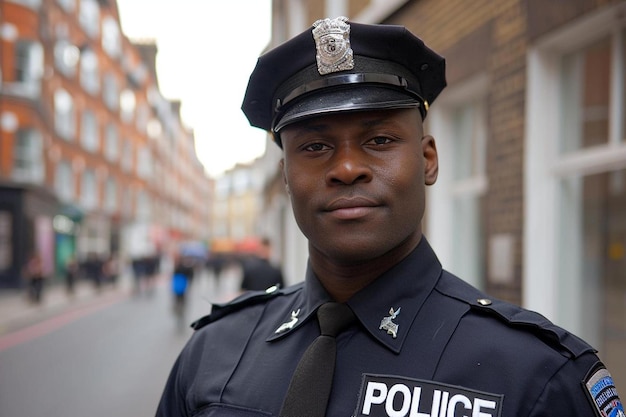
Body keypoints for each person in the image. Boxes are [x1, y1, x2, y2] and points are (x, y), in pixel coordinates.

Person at [156, 17, 623, 417]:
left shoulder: (536, 377)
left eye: (379, 140)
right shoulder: (214, 353)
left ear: (428, 160)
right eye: (315, 147)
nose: (345, 169)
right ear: (285, 176)